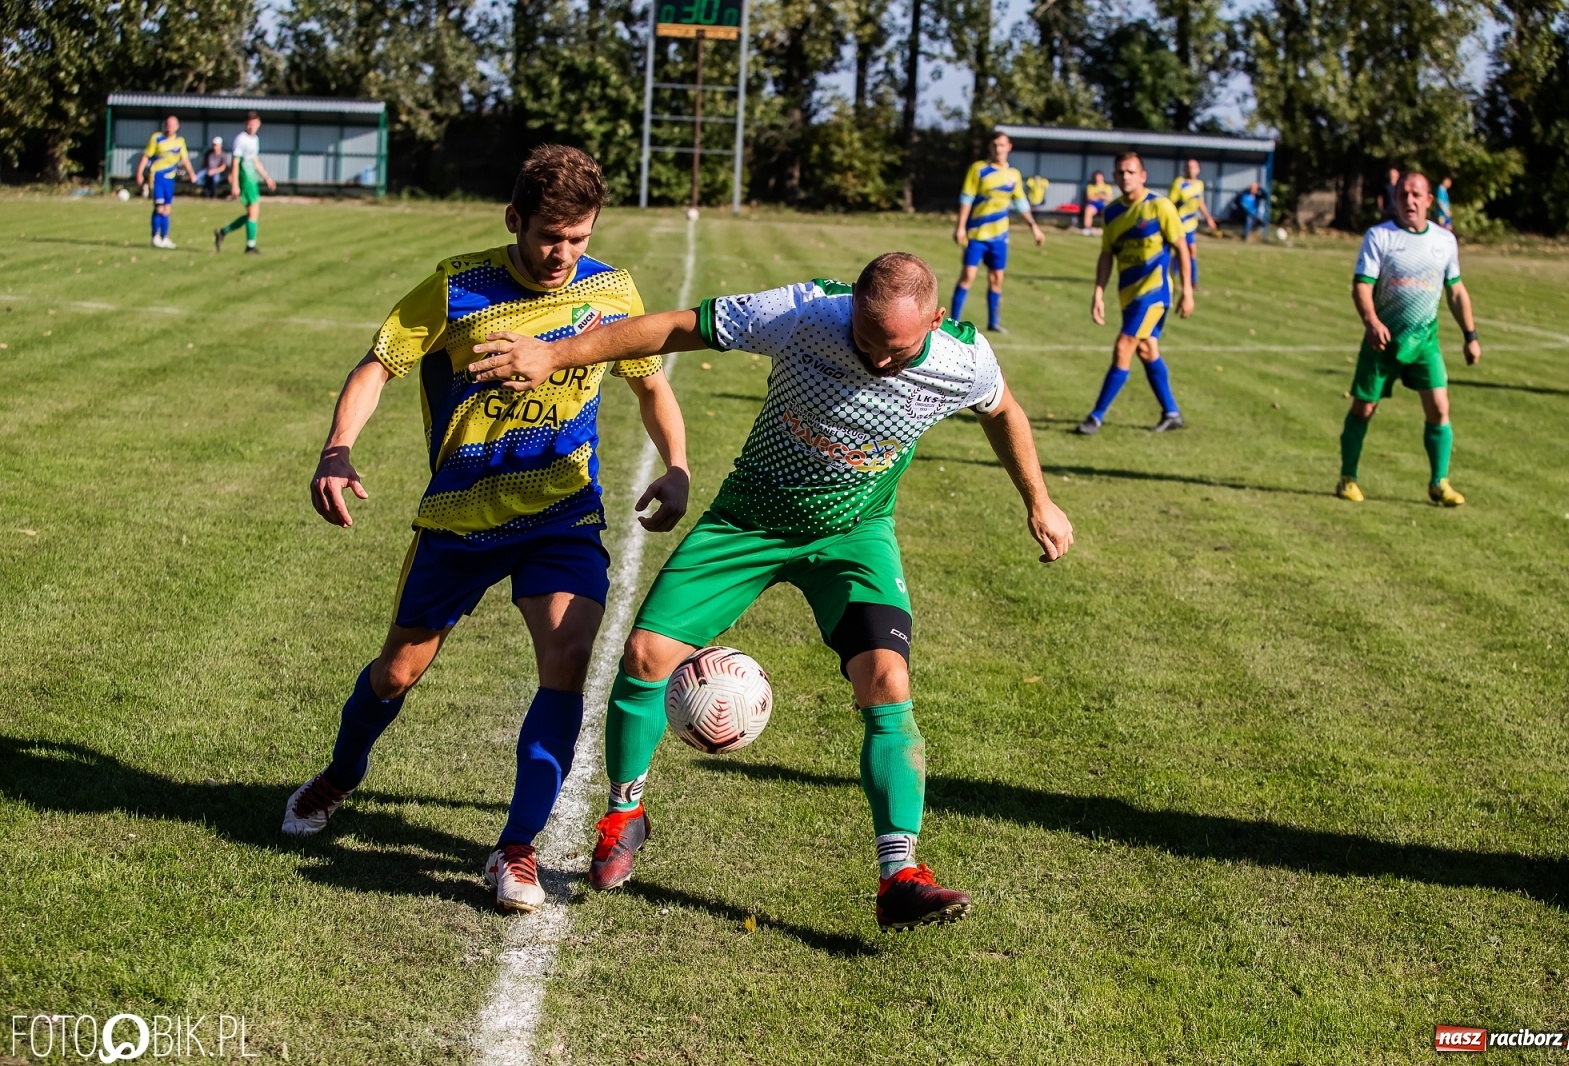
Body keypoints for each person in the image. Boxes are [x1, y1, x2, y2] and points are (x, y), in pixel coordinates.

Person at [467, 252, 1076, 931]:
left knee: (888, 681)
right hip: (747, 523)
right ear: (850, 313)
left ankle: (899, 874)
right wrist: (560, 354)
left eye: (895, 351)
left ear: (935, 320)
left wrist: (1039, 502)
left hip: (854, 535)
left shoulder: (963, 359)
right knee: (644, 657)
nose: (877, 361)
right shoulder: (803, 314)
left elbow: (1004, 411)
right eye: (866, 343)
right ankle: (624, 815)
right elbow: (673, 327)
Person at [281, 145, 692, 916]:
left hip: (560, 514)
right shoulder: (457, 285)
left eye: (577, 238)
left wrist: (677, 463)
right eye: (547, 236)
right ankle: (339, 775)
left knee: (567, 660)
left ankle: (517, 847)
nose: (561, 255)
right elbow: (377, 365)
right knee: (396, 672)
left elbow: (649, 382)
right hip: (460, 519)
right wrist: (337, 449)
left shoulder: (610, 291)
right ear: (514, 221)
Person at [1337, 170, 1480, 506]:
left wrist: (1470, 335)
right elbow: (1362, 285)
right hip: (1382, 341)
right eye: (1403, 195)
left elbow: (1456, 291)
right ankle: (1347, 477)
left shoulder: (1445, 241)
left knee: (1440, 409)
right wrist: (1371, 320)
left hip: (1424, 341)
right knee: (1364, 407)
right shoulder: (1379, 237)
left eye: (1416, 195)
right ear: (1394, 200)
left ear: (1429, 201)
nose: (1409, 201)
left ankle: (1439, 483)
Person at [1076, 151, 1193, 435]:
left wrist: (1187, 290)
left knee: (1124, 345)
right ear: (1115, 177)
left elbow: (1182, 248)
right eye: (1120, 172)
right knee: (1146, 349)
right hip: (1127, 296)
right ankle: (1172, 412)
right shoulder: (1112, 212)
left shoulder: (1160, 206)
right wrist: (1098, 293)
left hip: (1155, 293)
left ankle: (1095, 417)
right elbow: (1107, 255)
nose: (1125, 176)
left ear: (1143, 176)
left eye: (1131, 171)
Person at [951, 131, 1046, 333]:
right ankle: (953, 322)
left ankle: (993, 322)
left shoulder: (1014, 175)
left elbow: (1021, 204)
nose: (998, 149)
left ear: (1009, 147)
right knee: (968, 276)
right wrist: (960, 226)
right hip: (976, 235)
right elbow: (966, 199)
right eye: (995, 145)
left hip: (1000, 238)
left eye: (1002, 145)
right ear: (990, 147)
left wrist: (1034, 228)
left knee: (996, 279)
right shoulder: (979, 169)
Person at [215, 112, 277, 254]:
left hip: (252, 178)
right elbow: (235, 162)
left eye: (254, 123)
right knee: (253, 212)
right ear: (245, 124)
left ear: (259, 124)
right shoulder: (241, 139)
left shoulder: (255, 139)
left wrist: (266, 177)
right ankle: (250, 246)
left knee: (251, 214)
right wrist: (235, 184)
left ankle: (223, 232)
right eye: (250, 123)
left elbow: (255, 160)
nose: (252, 126)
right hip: (245, 178)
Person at [133, 115, 196, 250]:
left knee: (167, 209)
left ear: (177, 127)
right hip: (157, 176)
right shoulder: (156, 138)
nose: (170, 127)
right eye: (168, 124)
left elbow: (185, 160)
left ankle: (165, 237)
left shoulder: (180, 142)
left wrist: (191, 174)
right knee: (159, 207)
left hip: (170, 178)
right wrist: (139, 173)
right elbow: (146, 157)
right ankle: (155, 237)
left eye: (173, 125)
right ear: (164, 125)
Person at [1168, 158, 1219, 288]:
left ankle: (1192, 281)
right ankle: (1173, 276)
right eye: (1188, 167)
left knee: (1190, 251)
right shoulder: (1179, 183)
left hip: (1191, 223)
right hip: (1179, 222)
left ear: (1198, 169)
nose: (1191, 169)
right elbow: (1170, 203)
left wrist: (1208, 218)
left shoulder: (1199, 184)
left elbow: (1200, 202)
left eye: (1194, 167)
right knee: (1185, 250)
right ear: (1184, 169)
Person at [1081, 170, 1115, 235]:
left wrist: (1096, 196)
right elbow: (1089, 198)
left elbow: (1109, 198)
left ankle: (1107, 229)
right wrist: (1101, 196)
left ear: (1103, 177)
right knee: (1088, 210)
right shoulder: (1090, 187)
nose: (1098, 178)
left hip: (1104, 204)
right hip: (1094, 205)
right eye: (1097, 177)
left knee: (1107, 211)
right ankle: (1087, 228)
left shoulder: (1107, 187)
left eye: (1100, 177)